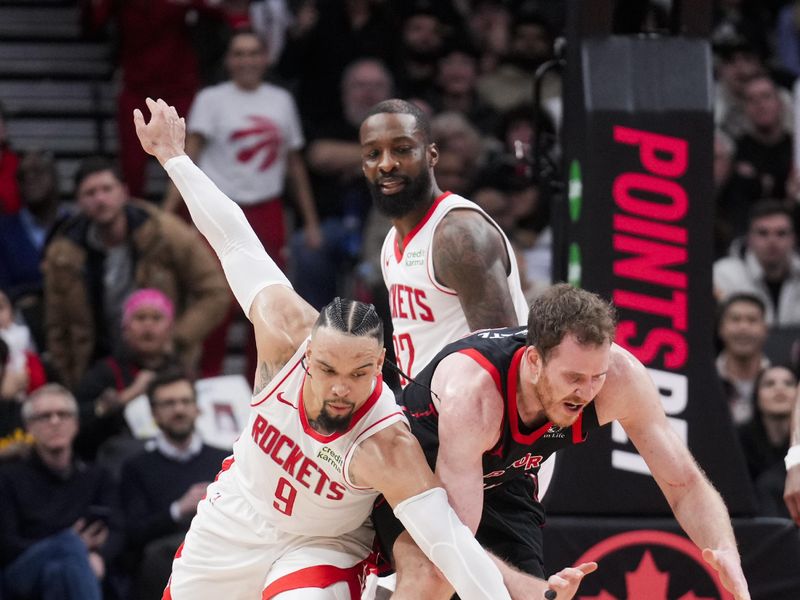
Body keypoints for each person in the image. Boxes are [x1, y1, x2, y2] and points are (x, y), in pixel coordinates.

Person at [133, 96, 531, 600]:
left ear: (379, 368)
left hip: (323, 546)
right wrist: (174, 158)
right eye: (327, 370)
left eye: (359, 373)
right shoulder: (283, 333)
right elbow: (234, 239)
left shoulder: (389, 443)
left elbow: (451, 544)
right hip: (237, 519)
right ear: (308, 355)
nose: (342, 389)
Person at [373, 284, 752, 600]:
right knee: (432, 577)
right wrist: (538, 594)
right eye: (573, 377)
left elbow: (683, 483)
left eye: (595, 377)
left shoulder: (620, 378)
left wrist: (725, 550)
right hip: (416, 470)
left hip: (505, 477)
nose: (585, 392)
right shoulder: (475, 394)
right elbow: (455, 548)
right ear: (534, 361)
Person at [361, 99, 529, 385]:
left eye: (402, 149)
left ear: (431, 155)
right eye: (373, 153)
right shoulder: (392, 241)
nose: (386, 164)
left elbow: (506, 359)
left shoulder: (457, 234)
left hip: (472, 416)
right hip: (427, 413)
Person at [41, 156, 230, 388]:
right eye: (90, 193)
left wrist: (178, 337)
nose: (100, 199)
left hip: (166, 364)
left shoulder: (165, 232)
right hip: (96, 367)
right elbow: (56, 325)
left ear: (124, 192)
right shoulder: (63, 254)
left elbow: (215, 292)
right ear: (78, 201)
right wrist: (70, 378)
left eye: (107, 189)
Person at [0, 384, 122, 600]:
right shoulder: (8, 478)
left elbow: (119, 529)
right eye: (44, 416)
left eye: (63, 414)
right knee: (70, 544)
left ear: (75, 423)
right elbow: (7, 544)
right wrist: (69, 545)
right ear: (29, 427)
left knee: (57, 573)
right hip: (20, 572)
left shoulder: (97, 476)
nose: (55, 422)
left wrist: (99, 556)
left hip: (70, 571)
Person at [120, 367, 229, 600]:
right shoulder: (136, 467)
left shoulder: (225, 459)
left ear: (197, 408)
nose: (178, 409)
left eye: (185, 401)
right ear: (154, 413)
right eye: (168, 403)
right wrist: (178, 509)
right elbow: (133, 534)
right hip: (164, 564)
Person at [713, 200, 800, 326]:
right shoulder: (724, 275)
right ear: (749, 238)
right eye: (763, 233)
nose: (772, 241)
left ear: (793, 239)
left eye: (781, 233)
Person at [715, 293, 770, 425]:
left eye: (752, 320)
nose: (743, 327)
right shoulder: (704, 379)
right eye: (735, 319)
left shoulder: (780, 379)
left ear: (766, 330)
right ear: (720, 329)